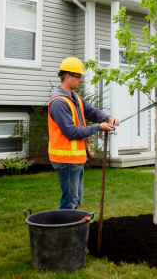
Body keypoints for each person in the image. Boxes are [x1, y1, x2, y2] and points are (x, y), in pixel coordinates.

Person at [48, 57, 120, 209]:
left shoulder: (75, 98)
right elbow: (71, 132)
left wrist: (108, 118)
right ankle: (62, 232)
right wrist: (99, 127)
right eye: (78, 76)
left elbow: (92, 112)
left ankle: (70, 230)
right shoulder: (59, 102)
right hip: (66, 160)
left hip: (75, 159)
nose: (81, 80)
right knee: (69, 202)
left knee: (75, 200)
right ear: (67, 76)